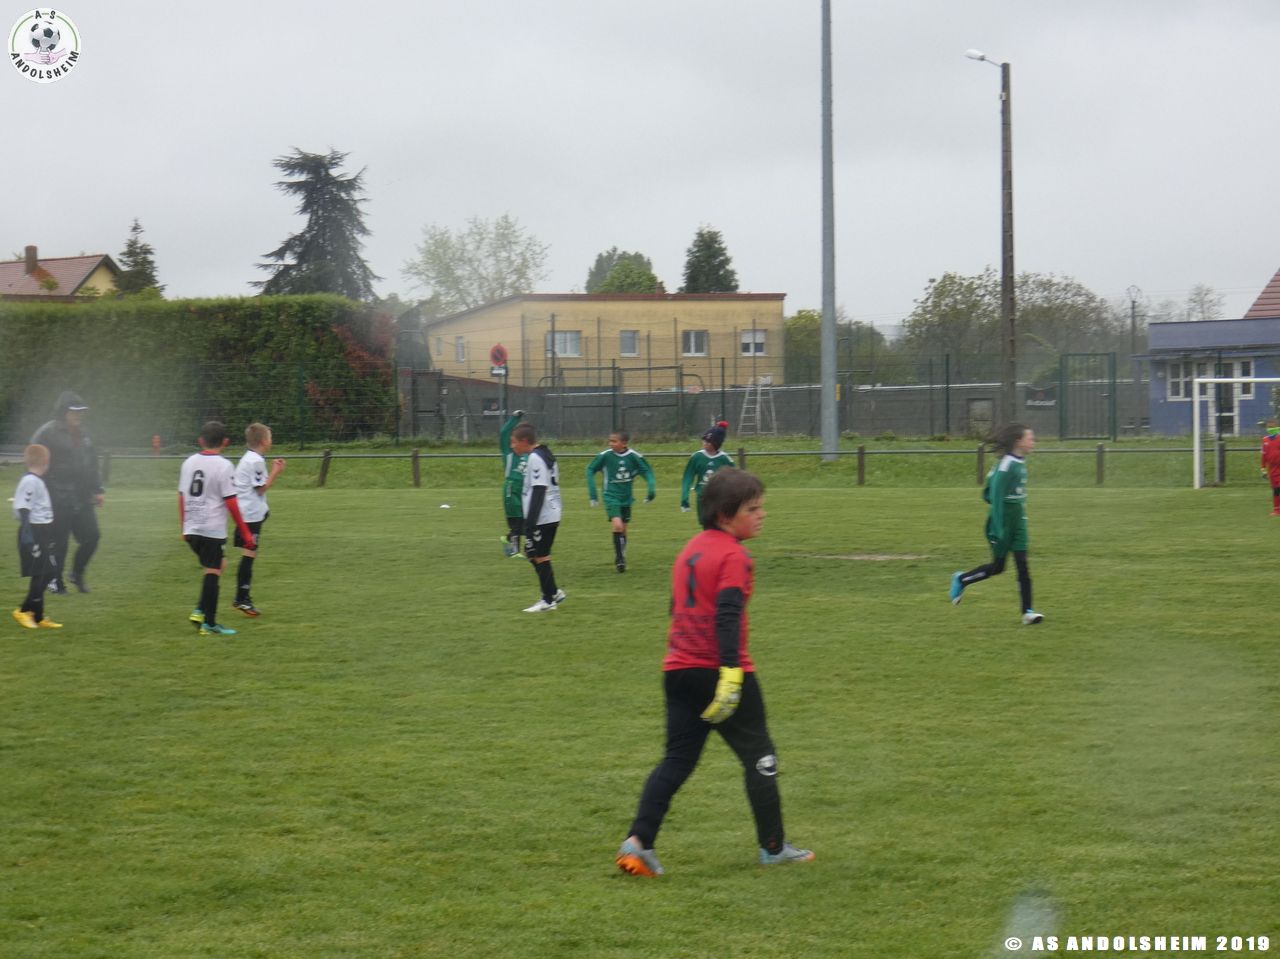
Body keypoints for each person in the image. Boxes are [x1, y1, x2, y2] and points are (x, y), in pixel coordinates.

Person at [616, 468, 814, 877]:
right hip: (718, 670)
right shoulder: (734, 556)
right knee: (760, 757)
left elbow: (675, 608)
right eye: (752, 509)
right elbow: (727, 614)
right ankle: (773, 848)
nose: (761, 515)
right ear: (725, 515)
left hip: (678, 670)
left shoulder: (689, 550)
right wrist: (730, 672)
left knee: (677, 759)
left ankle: (638, 842)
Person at [949, 423, 1044, 625]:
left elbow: (991, 493)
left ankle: (1027, 612)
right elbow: (993, 495)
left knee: (1023, 566)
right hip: (1001, 525)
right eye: (1030, 438)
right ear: (1018, 441)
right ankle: (961, 579)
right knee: (998, 567)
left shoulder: (1019, 462)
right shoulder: (1006, 465)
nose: (1033, 442)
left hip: (1019, 524)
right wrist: (999, 527)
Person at [179, 421, 257, 637]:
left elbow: (182, 496)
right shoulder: (224, 465)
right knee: (213, 571)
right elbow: (231, 501)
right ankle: (208, 622)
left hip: (192, 527)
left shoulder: (188, 462)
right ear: (225, 442)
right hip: (211, 528)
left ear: (200, 441)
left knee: (218, 564)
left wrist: (184, 526)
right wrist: (245, 531)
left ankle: (201, 612)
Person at [30, 391, 103, 594]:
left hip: (82, 497)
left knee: (92, 536)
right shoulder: (47, 433)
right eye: (75, 411)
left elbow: (92, 464)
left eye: (81, 411)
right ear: (64, 412)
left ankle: (77, 573)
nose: (79, 415)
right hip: (56, 496)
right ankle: (55, 580)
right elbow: (34, 461)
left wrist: (97, 489)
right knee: (59, 542)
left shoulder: (86, 434)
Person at [509, 423, 565, 613]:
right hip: (550, 513)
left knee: (539, 556)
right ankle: (553, 592)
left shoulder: (535, 457)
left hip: (543, 516)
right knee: (533, 554)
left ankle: (547, 600)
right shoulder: (544, 453)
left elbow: (539, 490)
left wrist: (530, 525)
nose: (512, 446)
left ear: (525, 441)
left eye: (514, 442)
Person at [231, 423, 286, 616]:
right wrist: (276, 471)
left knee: (249, 554)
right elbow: (261, 488)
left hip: (248, 513)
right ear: (263, 441)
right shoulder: (255, 461)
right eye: (270, 437)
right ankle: (242, 598)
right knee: (249, 555)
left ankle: (242, 597)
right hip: (249, 515)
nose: (271, 441)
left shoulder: (249, 458)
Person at [586, 429, 656, 572]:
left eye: (614, 441)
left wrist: (651, 490)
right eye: (610, 441)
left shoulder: (634, 456)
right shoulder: (605, 456)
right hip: (611, 496)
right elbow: (590, 470)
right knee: (617, 526)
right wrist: (593, 493)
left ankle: (621, 553)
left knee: (623, 529)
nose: (610, 443)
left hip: (626, 498)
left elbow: (647, 471)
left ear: (624, 443)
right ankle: (619, 559)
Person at [12, 444, 61, 630]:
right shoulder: (30, 481)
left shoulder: (38, 480)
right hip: (33, 532)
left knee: (47, 572)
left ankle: (38, 616)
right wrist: (28, 536)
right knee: (44, 572)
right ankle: (24, 610)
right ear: (46, 461)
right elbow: (23, 508)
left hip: (42, 532)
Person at [679, 420, 733, 516]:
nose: (704, 443)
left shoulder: (725, 459)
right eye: (704, 440)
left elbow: (735, 479)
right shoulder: (697, 457)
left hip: (719, 497)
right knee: (704, 521)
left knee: (717, 521)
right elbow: (688, 477)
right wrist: (684, 497)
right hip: (702, 497)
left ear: (716, 444)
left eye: (708, 441)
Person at [499, 409, 528, 557]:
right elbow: (504, 433)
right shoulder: (509, 454)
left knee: (524, 523)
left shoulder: (528, 455)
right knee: (516, 522)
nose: (513, 445)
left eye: (516, 441)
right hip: (511, 490)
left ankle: (507, 539)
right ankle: (515, 551)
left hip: (524, 491)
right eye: (512, 442)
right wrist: (515, 418)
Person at [1261, 419, 1280, 516]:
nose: (1270, 429)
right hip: (1272, 469)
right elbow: (1263, 455)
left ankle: (1277, 510)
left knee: (1278, 488)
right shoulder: (1265, 440)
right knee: (1275, 489)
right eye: (1269, 427)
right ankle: (1276, 510)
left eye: (1272, 427)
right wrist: (1263, 468)